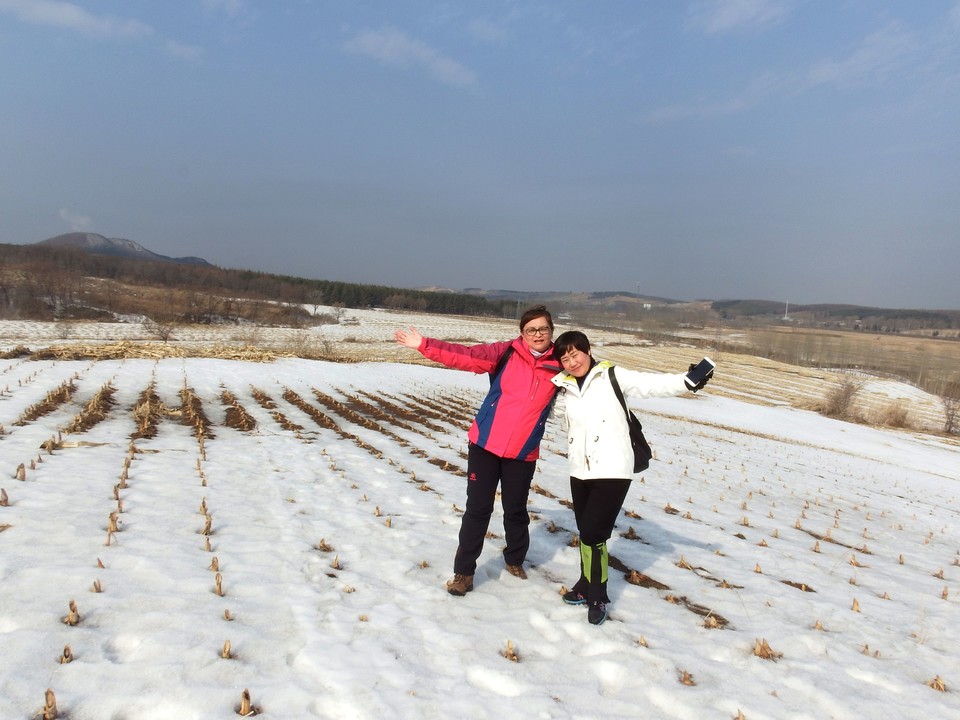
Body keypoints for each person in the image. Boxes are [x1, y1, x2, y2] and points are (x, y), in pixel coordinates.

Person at [394, 306, 560, 596]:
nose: (537, 334)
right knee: (478, 509)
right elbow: (466, 356)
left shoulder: (560, 363)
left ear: (551, 332)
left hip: (523, 451)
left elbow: (588, 375)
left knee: (516, 510)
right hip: (486, 445)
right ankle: (463, 573)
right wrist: (425, 345)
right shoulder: (506, 352)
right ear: (522, 332)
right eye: (531, 329)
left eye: (543, 329)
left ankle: (515, 559)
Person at [550, 330, 713, 625]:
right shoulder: (564, 388)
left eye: (575, 354)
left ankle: (597, 594)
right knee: (585, 530)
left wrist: (686, 381)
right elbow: (544, 413)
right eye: (565, 358)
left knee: (594, 534)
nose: (572, 362)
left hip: (612, 469)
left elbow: (649, 385)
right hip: (580, 468)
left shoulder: (611, 375)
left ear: (588, 351)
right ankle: (586, 583)